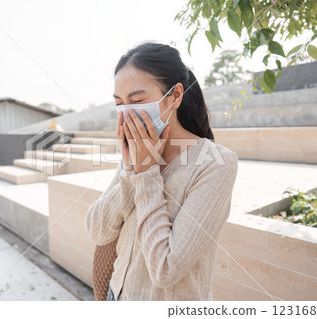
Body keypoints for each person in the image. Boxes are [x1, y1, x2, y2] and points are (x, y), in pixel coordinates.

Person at [85, 41, 238, 301]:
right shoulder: (136, 153)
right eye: (119, 103)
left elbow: (166, 269)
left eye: (138, 100)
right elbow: (98, 231)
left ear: (176, 95)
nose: (127, 112)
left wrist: (145, 174)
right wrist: (132, 170)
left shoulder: (215, 163)